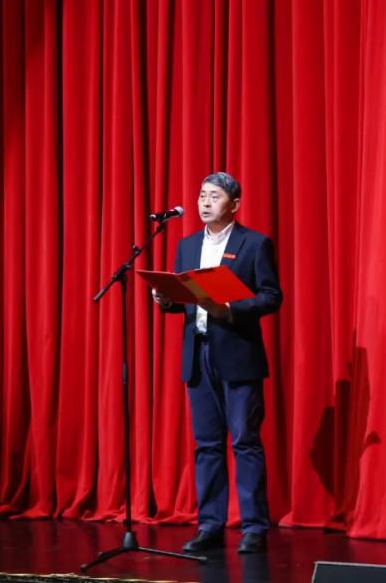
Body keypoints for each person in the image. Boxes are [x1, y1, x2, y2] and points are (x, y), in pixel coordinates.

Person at [153, 172, 282, 554]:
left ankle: (254, 527)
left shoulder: (254, 244)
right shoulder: (187, 246)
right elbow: (184, 300)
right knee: (207, 444)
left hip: (237, 352)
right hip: (198, 352)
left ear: (234, 205)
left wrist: (230, 309)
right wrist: (167, 300)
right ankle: (209, 525)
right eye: (202, 196)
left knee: (244, 441)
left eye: (214, 196)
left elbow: (271, 296)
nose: (205, 203)